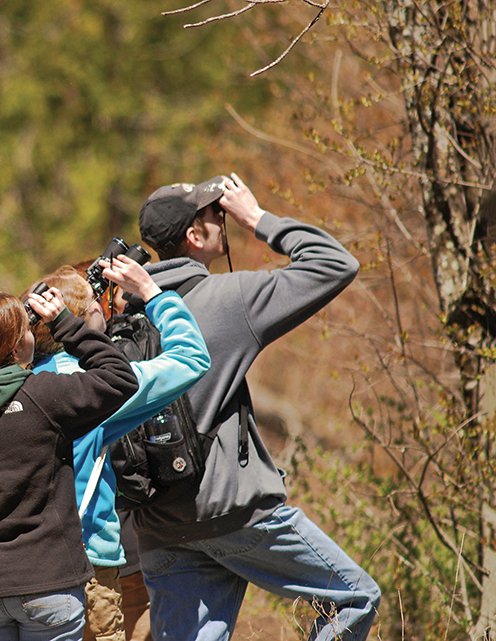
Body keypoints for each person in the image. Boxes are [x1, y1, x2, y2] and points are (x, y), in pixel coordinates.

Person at [132, 173, 381, 641]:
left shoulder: (122, 315)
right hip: (234, 515)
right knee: (354, 597)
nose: (221, 219)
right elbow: (335, 263)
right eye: (214, 214)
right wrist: (257, 218)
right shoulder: (229, 299)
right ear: (194, 234)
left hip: (159, 527)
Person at [0, 286, 140, 641]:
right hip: (49, 582)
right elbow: (120, 378)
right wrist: (65, 322)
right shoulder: (45, 396)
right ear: (18, 347)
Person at [29, 260, 210, 641]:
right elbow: (191, 358)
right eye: (95, 300)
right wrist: (152, 293)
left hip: (24, 568)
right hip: (87, 562)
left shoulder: (22, 380)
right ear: (86, 315)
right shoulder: (96, 386)